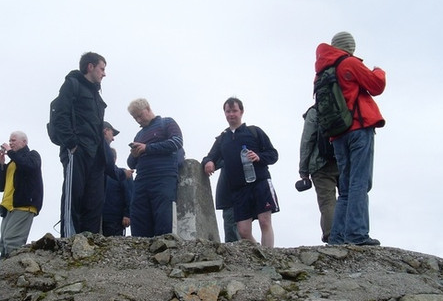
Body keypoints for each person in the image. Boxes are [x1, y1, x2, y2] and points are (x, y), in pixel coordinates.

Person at [316, 31, 386, 246]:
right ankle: (357, 234)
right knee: (359, 182)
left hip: (337, 134)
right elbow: (376, 86)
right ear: (349, 47)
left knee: (345, 186)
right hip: (358, 128)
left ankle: (337, 237)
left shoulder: (322, 70)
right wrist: (379, 70)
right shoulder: (349, 63)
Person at [202, 97, 279, 248]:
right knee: (243, 231)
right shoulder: (223, 138)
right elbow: (210, 156)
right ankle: (260, 253)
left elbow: (273, 154)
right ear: (224, 113)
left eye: (234, 111)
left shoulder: (254, 131)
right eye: (228, 111)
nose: (231, 114)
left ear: (241, 112)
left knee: (265, 222)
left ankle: (270, 257)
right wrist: (208, 162)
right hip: (238, 189)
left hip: (260, 182)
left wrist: (259, 157)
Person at [53, 52, 108, 237]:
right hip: (77, 150)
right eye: (102, 68)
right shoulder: (72, 84)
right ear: (90, 67)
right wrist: (71, 144)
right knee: (73, 196)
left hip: (96, 154)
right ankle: (69, 241)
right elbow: (60, 115)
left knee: (94, 200)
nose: (104, 74)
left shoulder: (96, 94)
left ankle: (89, 243)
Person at [127, 98, 183, 238]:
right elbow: (131, 163)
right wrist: (134, 154)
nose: (138, 120)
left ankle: (165, 252)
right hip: (141, 180)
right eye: (135, 118)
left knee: (164, 217)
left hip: (164, 177)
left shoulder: (167, 122)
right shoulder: (139, 135)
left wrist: (147, 148)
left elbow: (177, 142)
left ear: (148, 108)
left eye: (140, 115)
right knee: (139, 217)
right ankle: (141, 254)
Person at [0, 131, 43, 259]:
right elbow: (0, 186)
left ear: (24, 142)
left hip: (24, 205)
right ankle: (4, 273)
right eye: (9, 141)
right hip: (9, 207)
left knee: (12, 241)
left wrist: (11, 153)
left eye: (13, 140)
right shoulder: (12, 163)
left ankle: (12, 272)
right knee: (3, 244)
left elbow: (29, 166)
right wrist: (1, 164)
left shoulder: (32, 155)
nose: (10, 143)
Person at [298, 106, 339, 243]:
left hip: (320, 163)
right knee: (347, 197)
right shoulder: (343, 106)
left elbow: (307, 139)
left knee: (327, 201)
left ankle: (332, 236)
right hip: (342, 160)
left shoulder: (314, 111)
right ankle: (350, 233)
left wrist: (303, 170)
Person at [102, 147, 133, 236]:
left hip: (116, 220)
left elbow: (129, 195)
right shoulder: (98, 175)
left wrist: (127, 215)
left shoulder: (123, 174)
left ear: (114, 159)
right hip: (99, 219)